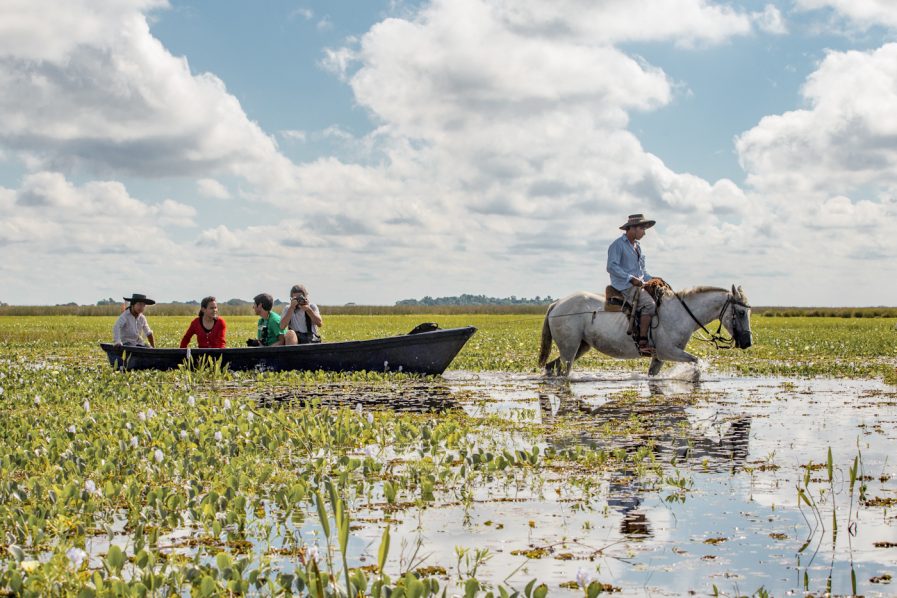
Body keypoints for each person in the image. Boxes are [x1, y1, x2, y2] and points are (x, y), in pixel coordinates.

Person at [607, 214, 657, 355]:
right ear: (632, 229)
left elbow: (642, 272)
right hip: (624, 285)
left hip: (636, 284)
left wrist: (653, 279)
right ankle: (642, 342)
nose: (644, 232)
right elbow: (611, 267)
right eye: (642, 228)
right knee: (650, 304)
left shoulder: (637, 247)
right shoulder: (617, 245)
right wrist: (630, 278)